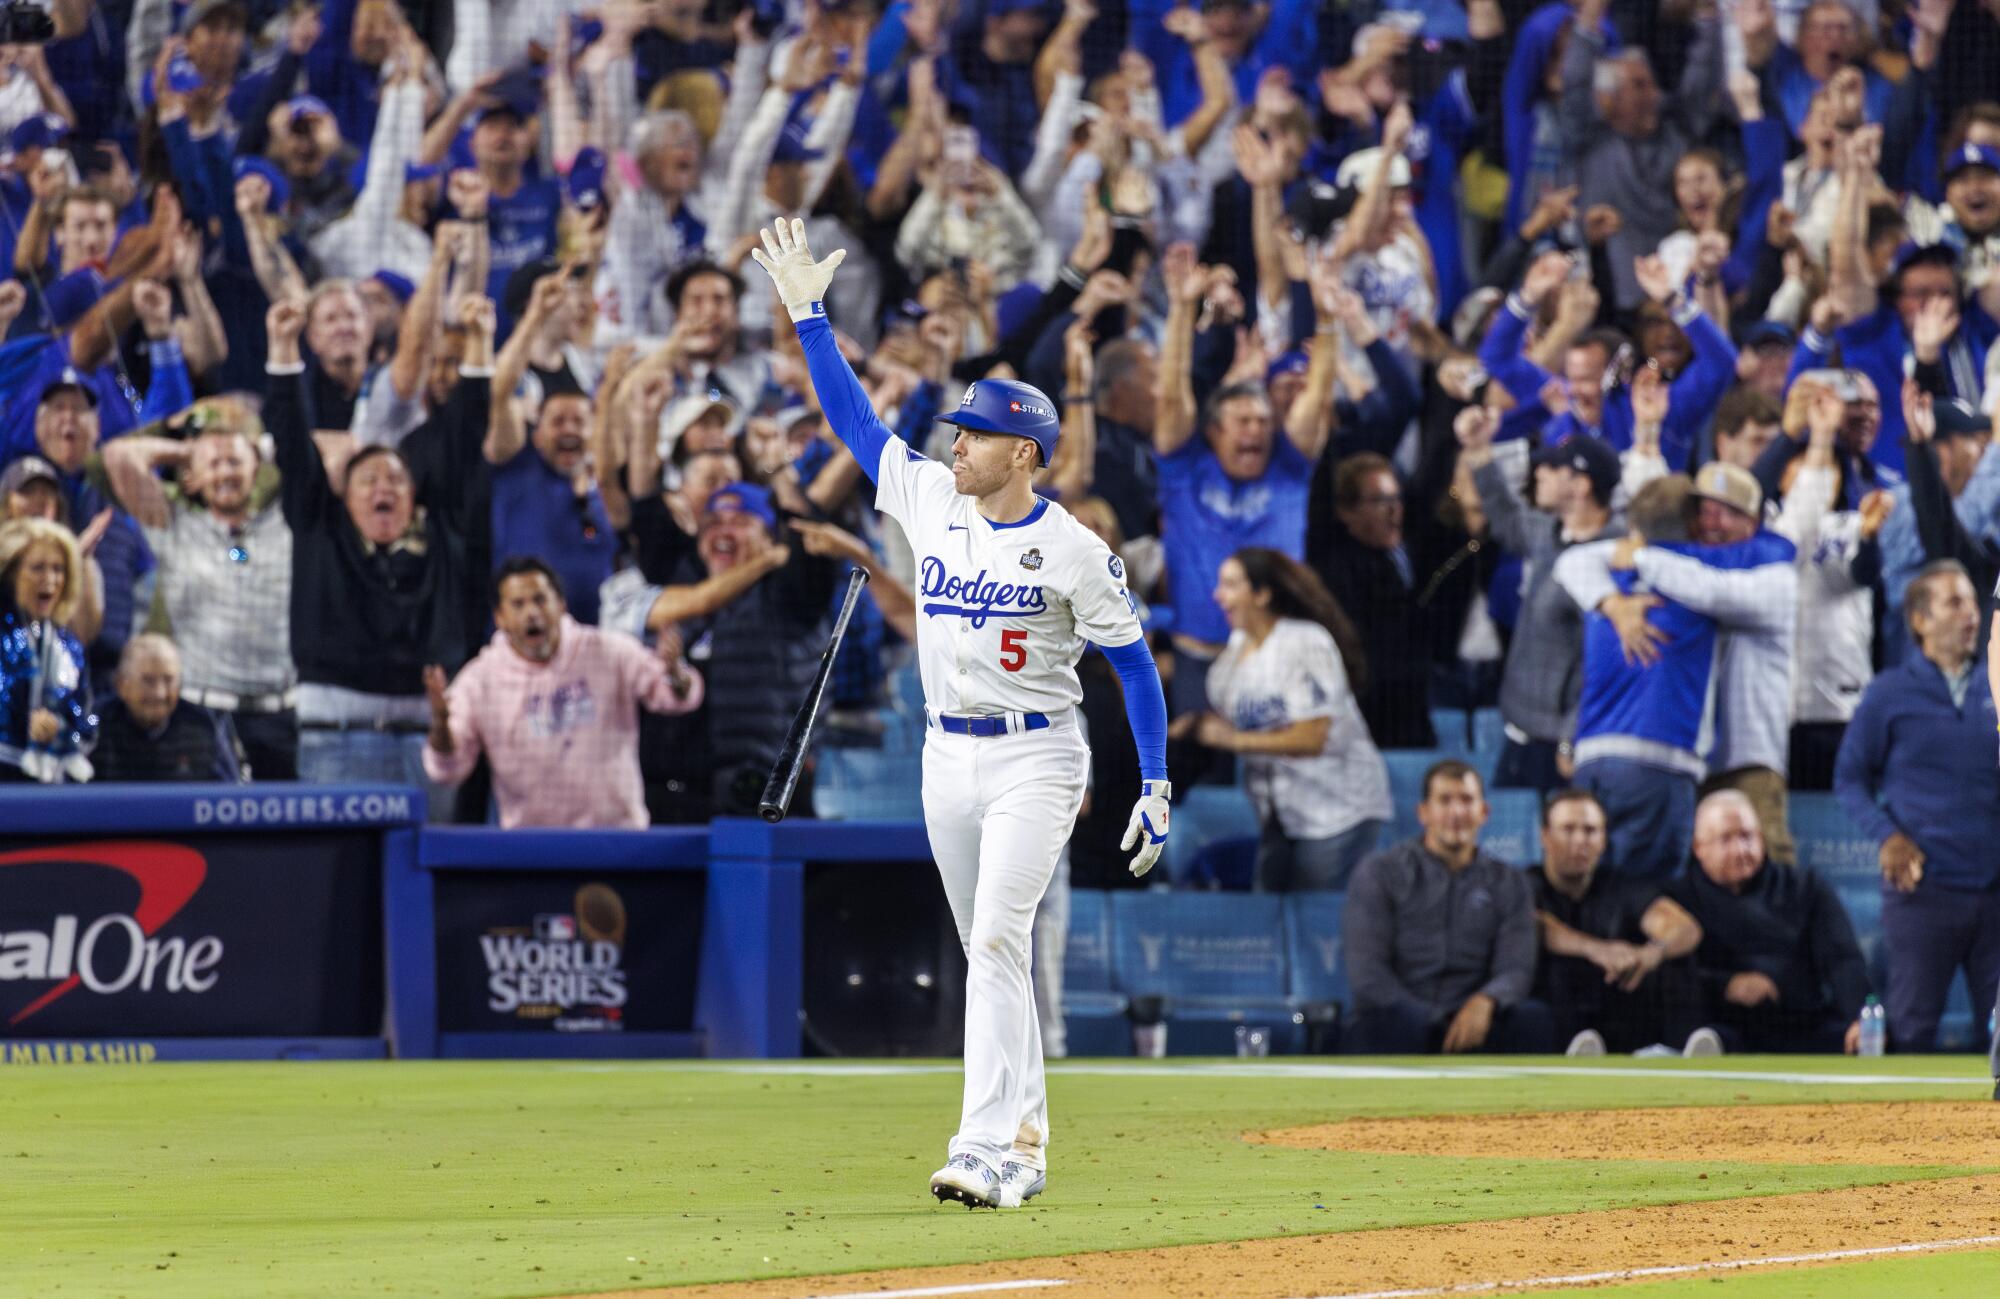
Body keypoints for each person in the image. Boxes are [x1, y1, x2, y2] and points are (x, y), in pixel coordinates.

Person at [753, 217, 1169, 1210]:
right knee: (994, 951)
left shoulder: (1071, 547)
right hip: (947, 756)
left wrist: (1152, 780)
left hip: (1036, 760)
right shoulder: (935, 498)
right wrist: (809, 315)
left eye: (977, 433)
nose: (959, 443)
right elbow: (856, 425)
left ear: (1023, 451)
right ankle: (1023, 1144)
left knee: (993, 943)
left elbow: (1134, 665)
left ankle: (982, 1149)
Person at [265, 295, 493, 810]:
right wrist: (283, 349)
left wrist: (480, 344)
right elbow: (290, 441)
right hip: (334, 738)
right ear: (343, 496)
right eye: (366, 479)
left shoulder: (441, 534)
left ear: (415, 496)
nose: (381, 488)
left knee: (426, 880)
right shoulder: (319, 526)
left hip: (428, 741)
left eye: (395, 478)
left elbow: (466, 432)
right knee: (334, 886)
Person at [1835, 561, 2000, 1053]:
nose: (1972, 613)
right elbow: (1848, 778)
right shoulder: (1888, 693)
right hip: (1923, 891)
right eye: (1955, 602)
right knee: (1910, 1030)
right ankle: (1894, 1133)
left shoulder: (1994, 685)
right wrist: (1886, 835)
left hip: (1995, 891)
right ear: (1920, 619)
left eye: (1974, 601)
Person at [423, 558, 704, 829]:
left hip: (617, 840)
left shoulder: (609, 651)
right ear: (500, 618)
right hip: (531, 849)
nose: (532, 612)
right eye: (518, 604)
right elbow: (449, 767)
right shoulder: (480, 680)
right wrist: (440, 726)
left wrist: (675, 673)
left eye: (540, 599)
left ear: (561, 605)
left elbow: (675, 697)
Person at [100, 407, 299, 780]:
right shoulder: (172, 521)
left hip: (282, 714)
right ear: (194, 475)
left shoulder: (285, 520)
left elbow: (331, 455)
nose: (224, 472)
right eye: (214, 464)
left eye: (234, 462)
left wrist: (260, 447)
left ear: (256, 467)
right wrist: (185, 452)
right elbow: (118, 457)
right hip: (201, 713)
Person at [1188, 547, 1390, 893]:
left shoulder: (1305, 642)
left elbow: (1313, 737)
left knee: (1314, 925)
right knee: (1273, 918)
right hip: (1280, 816)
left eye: (1231, 585)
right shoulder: (1233, 654)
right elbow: (1227, 723)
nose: (1218, 595)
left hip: (1338, 809)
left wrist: (1232, 740)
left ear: (1262, 594)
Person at [1458, 406, 1623, 794]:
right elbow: (1507, 518)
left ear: (1581, 486)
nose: (1539, 473)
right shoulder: (1551, 531)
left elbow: (1599, 663)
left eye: (1553, 468)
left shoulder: (1614, 557)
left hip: (1562, 743)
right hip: (1520, 724)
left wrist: (1571, 736)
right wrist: (1479, 450)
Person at [1342, 761, 1552, 1055]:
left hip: (1477, 1019)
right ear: (1423, 813)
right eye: (1445, 800)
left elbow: (1516, 967)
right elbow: (1368, 974)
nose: (1456, 812)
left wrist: (1486, 1002)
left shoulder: (1510, 882)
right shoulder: (1380, 873)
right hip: (1403, 1016)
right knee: (1369, 1027)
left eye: (1466, 800)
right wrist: (1431, 1018)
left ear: (1484, 812)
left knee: (1534, 1019)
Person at [1667, 789, 1871, 1054]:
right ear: (1698, 847)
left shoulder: (1804, 887)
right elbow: (1672, 974)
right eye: (1726, 839)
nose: (1741, 850)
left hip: (1801, 1022)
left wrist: (1858, 1018)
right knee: (1708, 1037)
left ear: (1762, 839)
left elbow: (1843, 960)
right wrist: (1727, 984)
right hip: (1723, 1023)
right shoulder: (1678, 899)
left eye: (1747, 836)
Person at [1529, 788, 1712, 1057]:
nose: (1580, 840)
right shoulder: (1523, 885)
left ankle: (1680, 1054)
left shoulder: (1620, 886)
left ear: (1603, 840)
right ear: (1545, 836)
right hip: (1555, 1008)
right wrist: (1596, 950)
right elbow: (1532, 923)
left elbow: (1685, 928)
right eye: (1568, 829)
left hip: (1617, 1002)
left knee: (1675, 963)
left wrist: (1649, 954)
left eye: (1590, 830)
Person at [0, 516, 93, 783]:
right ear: (12, 573)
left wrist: (60, 731)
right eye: (38, 568)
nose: (50, 579)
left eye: (58, 569)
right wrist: (23, 727)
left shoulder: (69, 647)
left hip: (51, 786)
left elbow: (86, 725)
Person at [90, 634, 242, 783]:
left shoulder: (206, 725)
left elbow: (230, 796)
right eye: (148, 680)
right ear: (122, 685)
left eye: (169, 680)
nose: (159, 693)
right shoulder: (93, 722)